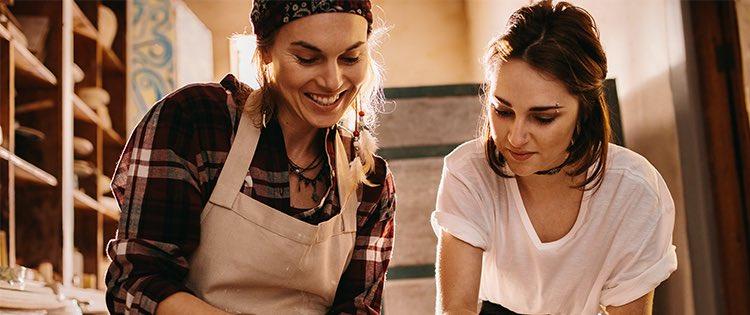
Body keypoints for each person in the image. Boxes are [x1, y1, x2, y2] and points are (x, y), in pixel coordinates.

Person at [105, 1, 396, 314]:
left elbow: (358, 309)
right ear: (265, 51)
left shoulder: (370, 181)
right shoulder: (197, 122)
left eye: (351, 58)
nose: (332, 81)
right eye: (307, 58)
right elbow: (136, 282)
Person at [431, 1, 677, 314]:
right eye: (503, 111)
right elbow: (457, 309)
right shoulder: (468, 171)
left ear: (583, 111)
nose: (515, 137)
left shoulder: (634, 190)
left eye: (543, 117)